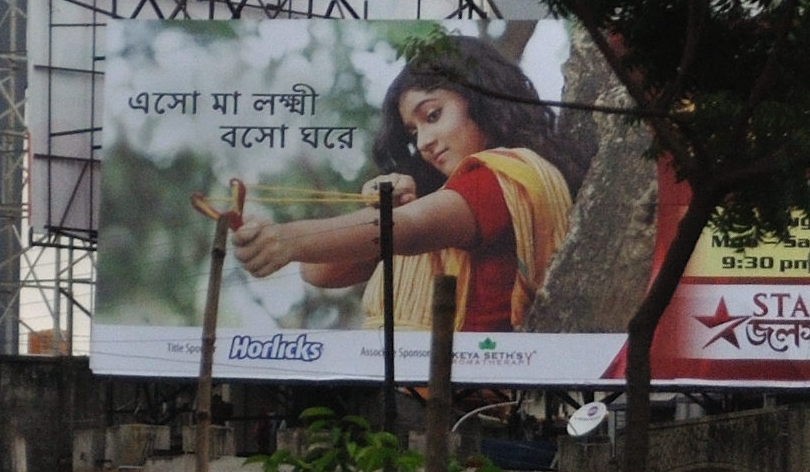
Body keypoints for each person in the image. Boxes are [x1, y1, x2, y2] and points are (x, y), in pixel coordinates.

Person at [228, 35, 595, 334]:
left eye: (433, 116)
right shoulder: (453, 192)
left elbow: (413, 229)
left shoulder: (503, 176)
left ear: (483, 99)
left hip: (454, 399)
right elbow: (321, 271)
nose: (423, 143)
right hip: (420, 387)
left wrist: (289, 239)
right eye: (414, 131)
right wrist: (381, 211)